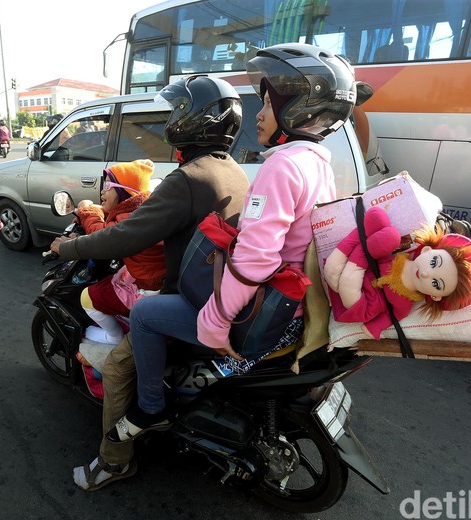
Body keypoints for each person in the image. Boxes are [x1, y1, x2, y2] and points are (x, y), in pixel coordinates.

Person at [100, 44, 357, 472]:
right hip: (289, 308)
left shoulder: (282, 166)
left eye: (269, 102)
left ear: (297, 108)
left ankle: (149, 408)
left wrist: (215, 323)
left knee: (145, 313)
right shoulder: (316, 163)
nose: (259, 113)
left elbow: (255, 260)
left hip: (255, 314)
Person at [49, 74, 250, 490]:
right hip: (222, 292)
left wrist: (69, 248)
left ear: (194, 120)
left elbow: (126, 235)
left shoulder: (189, 178)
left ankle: (114, 461)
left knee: (120, 367)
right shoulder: (232, 171)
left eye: (179, 110)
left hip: (190, 299)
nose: (172, 118)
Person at [323, 206, 471, 339]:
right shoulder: (397, 258)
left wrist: (375, 327)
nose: (426, 274)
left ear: (435, 296)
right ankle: (342, 263)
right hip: (360, 274)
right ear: (426, 250)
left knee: (380, 239)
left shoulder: (404, 304)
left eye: (436, 283)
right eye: (434, 262)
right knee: (386, 234)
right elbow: (379, 253)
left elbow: (393, 316)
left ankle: (341, 260)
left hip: (359, 301)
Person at [75, 159, 165, 369]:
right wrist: (101, 209)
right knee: (108, 281)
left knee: (88, 296)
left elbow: (101, 236)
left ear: (124, 191)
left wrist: (87, 211)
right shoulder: (142, 208)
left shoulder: (128, 220)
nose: (102, 192)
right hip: (151, 278)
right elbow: (113, 220)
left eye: (107, 186)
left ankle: (114, 338)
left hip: (148, 291)